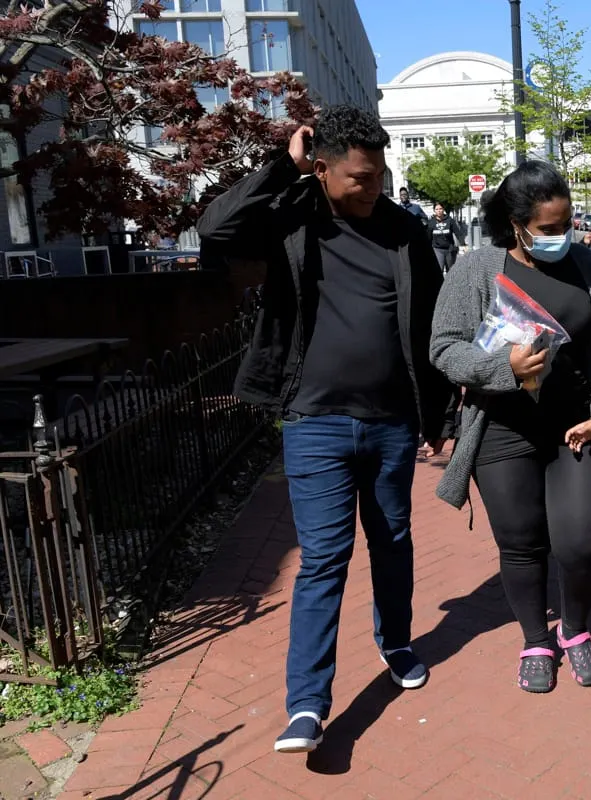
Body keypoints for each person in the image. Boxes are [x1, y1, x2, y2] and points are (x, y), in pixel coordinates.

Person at [197, 106, 457, 755]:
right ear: (320, 168)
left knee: (392, 542)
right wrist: (278, 167)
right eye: (360, 178)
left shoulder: (403, 230)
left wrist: (439, 414)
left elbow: (429, 323)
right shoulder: (294, 217)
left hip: (392, 422)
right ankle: (307, 704)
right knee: (323, 562)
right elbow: (215, 228)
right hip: (314, 424)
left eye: (379, 175)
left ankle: (395, 641)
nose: (373, 188)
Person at [429, 160, 591, 693]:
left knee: (586, 537)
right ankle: (536, 639)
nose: (561, 235)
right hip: (504, 427)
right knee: (521, 543)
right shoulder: (477, 268)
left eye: (566, 222)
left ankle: (575, 629)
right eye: (548, 228)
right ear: (516, 224)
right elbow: (444, 346)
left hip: (577, 426)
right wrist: (505, 370)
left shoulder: (587, 264)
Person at [427, 202, 465, 274]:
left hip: (449, 249)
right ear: (434, 211)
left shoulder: (449, 220)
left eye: (440, 208)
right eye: (437, 209)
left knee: (450, 271)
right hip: (437, 249)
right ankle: (440, 285)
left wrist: (463, 244)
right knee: (439, 269)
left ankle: (450, 284)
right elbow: (428, 236)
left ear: (443, 209)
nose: (439, 211)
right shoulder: (431, 222)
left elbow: (458, 233)